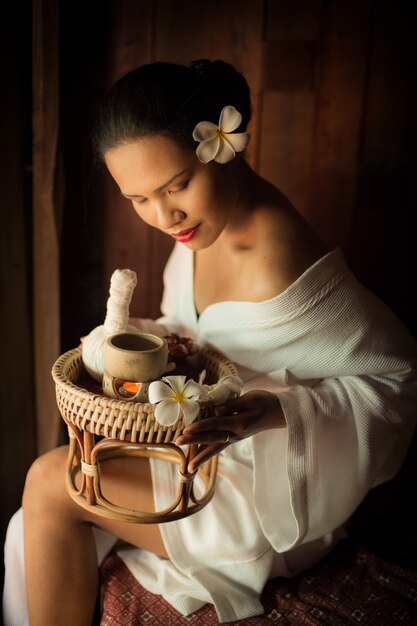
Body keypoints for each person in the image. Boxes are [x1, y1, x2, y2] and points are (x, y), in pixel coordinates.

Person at [3, 59, 417, 625]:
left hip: (259, 492)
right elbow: (197, 332)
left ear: (219, 146)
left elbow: (396, 378)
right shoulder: (205, 223)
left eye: (176, 186)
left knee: (50, 483)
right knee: (39, 508)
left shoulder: (279, 262)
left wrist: (273, 413)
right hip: (193, 447)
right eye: (138, 198)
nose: (164, 215)